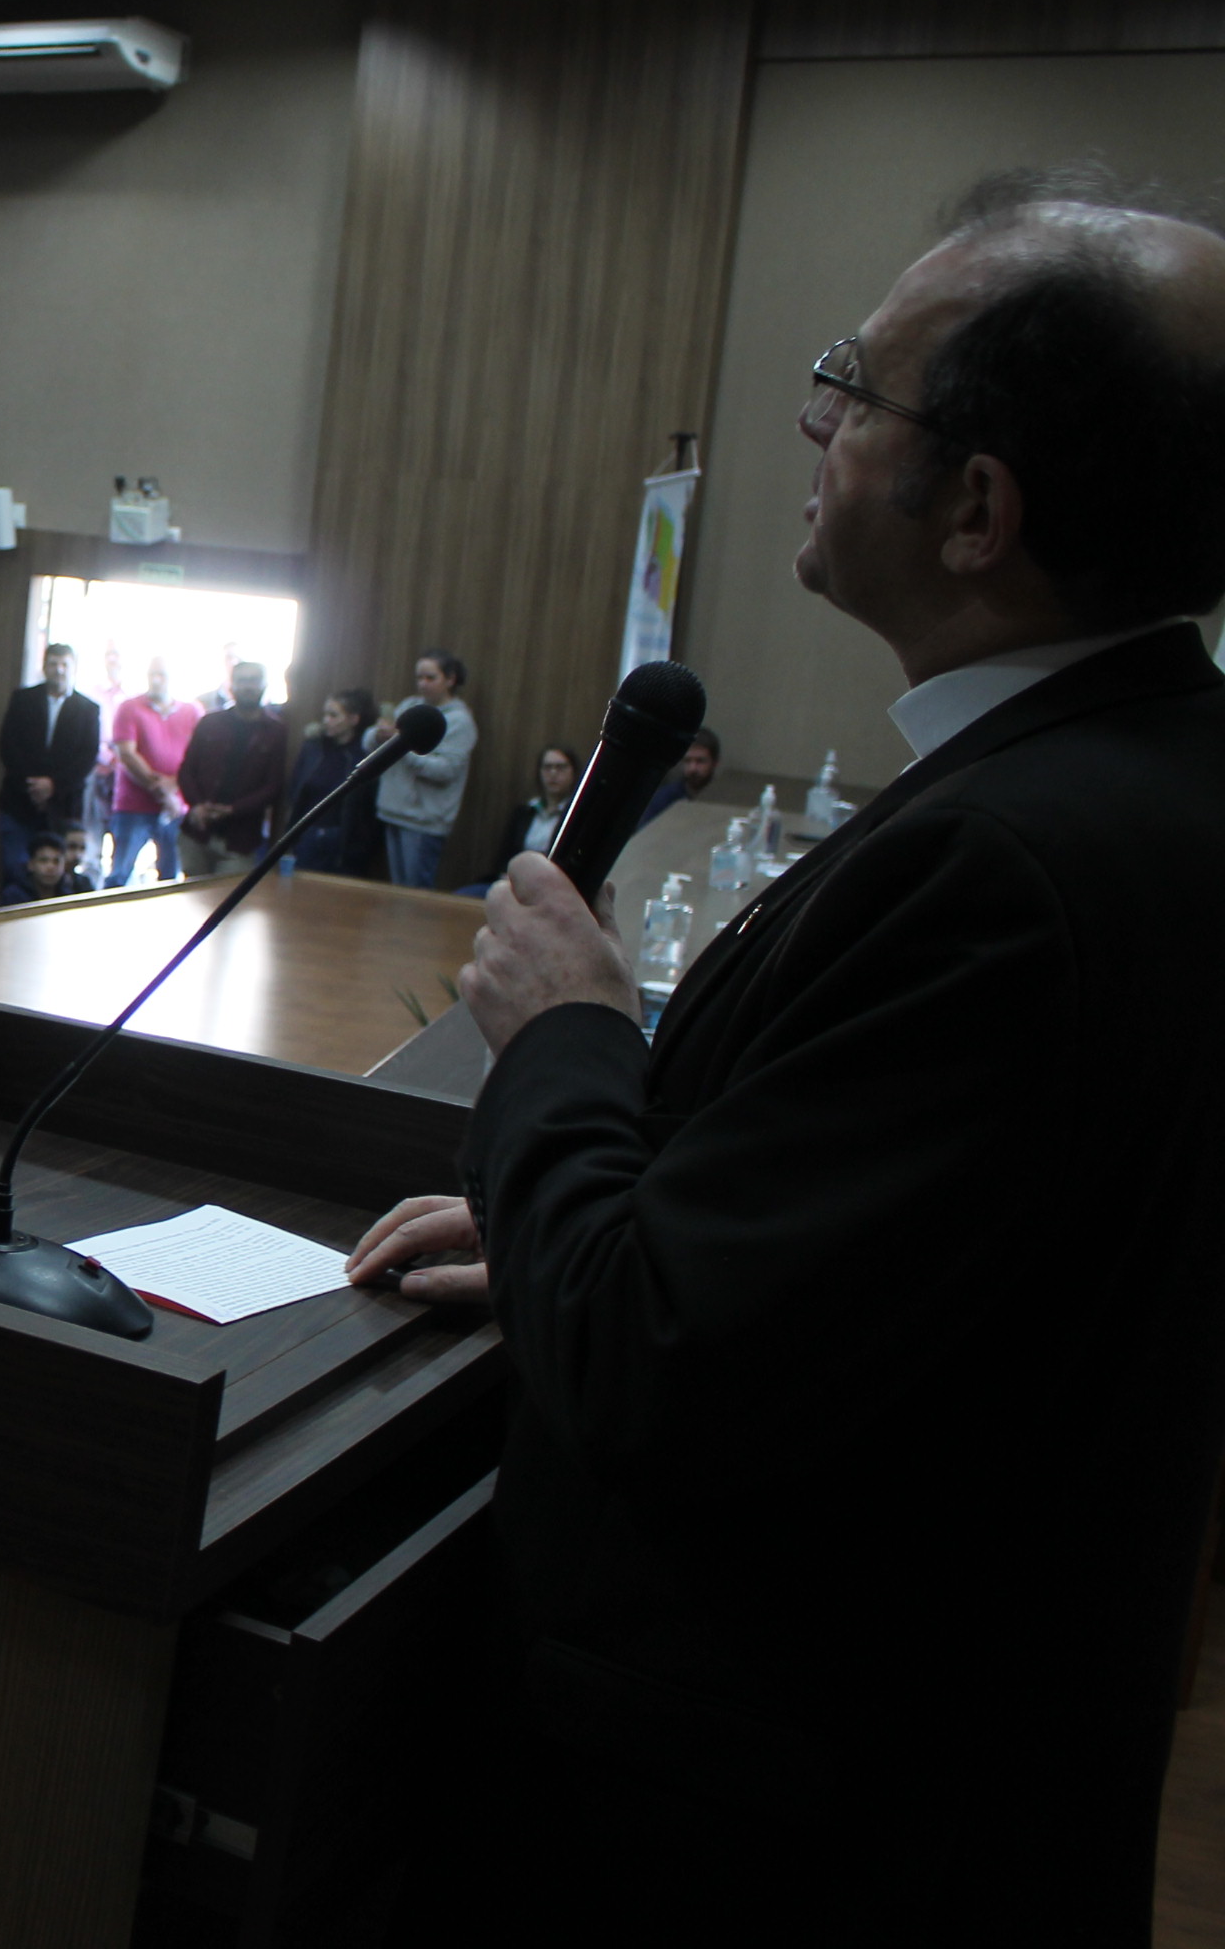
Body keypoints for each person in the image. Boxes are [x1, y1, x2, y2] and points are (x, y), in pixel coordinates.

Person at [344, 173, 1225, 1942]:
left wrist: (567, 1036)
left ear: (975, 508)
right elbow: (908, 1285)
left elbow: (666, 1368)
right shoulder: (1152, 777)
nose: (814, 429)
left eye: (852, 387)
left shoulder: (1004, 868)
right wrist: (571, 1233)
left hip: (777, 1816)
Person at [0, 644, 101, 895]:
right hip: (18, 800)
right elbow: (8, 746)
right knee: (15, 871)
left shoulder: (88, 709)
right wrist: (34, 785)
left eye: (64, 664)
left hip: (63, 806)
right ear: (44, 666)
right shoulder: (23, 700)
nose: (59, 670)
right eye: (53, 663)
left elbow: (87, 758)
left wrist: (53, 786)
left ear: (73, 668)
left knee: (58, 877)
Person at [174, 660, 289, 880]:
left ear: (264, 685)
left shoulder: (276, 732)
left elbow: (273, 786)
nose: (248, 686)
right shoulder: (209, 723)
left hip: (241, 838)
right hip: (197, 832)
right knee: (191, 895)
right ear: (231, 686)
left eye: (254, 680)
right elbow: (187, 770)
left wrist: (232, 810)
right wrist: (197, 805)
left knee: (230, 898)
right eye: (242, 681)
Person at [370, 649, 474, 889]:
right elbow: (372, 744)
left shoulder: (460, 721)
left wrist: (401, 746)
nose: (422, 684)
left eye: (430, 678)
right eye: (419, 678)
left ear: (450, 679)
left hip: (423, 822)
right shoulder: (410, 706)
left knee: (416, 893)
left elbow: (445, 770)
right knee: (398, 890)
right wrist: (379, 735)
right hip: (393, 811)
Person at [103, 660, 199, 887]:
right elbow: (127, 754)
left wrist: (174, 786)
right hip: (133, 806)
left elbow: (199, 757)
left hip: (177, 808)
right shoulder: (129, 708)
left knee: (171, 879)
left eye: (162, 675)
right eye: (152, 674)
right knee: (119, 876)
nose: (156, 680)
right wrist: (162, 791)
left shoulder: (192, 712)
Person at [284, 687, 382, 877]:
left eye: (333, 715)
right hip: (308, 832)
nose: (326, 720)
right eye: (325, 715)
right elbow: (296, 790)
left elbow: (368, 808)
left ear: (353, 719)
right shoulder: (314, 748)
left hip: (343, 841)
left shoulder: (363, 755)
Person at [481, 743, 581, 881]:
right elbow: (505, 855)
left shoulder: (577, 816)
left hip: (553, 882)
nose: (553, 773)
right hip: (513, 879)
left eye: (560, 767)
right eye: (547, 767)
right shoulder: (524, 812)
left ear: (573, 772)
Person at [637, 726, 723, 829]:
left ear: (715, 763)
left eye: (700, 761)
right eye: (687, 760)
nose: (693, 768)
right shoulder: (664, 799)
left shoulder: (723, 798)